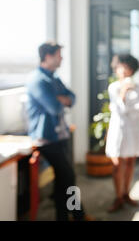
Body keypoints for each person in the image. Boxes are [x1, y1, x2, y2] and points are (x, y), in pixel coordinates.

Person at [26, 42, 91, 221]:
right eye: (58, 55)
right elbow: (54, 107)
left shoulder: (54, 78)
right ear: (48, 56)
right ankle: (79, 215)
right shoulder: (38, 80)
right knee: (68, 177)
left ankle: (66, 217)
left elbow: (72, 97)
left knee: (63, 181)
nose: (61, 58)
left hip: (60, 135)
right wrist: (61, 99)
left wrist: (64, 98)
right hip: (46, 138)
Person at [105, 54, 139, 212]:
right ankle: (118, 197)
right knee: (117, 163)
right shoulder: (113, 87)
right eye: (120, 67)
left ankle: (126, 193)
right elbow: (118, 109)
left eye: (126, 67)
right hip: (118, 128)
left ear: (131, 69)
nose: (123, 71)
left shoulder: (138, 86)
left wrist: (126, 108)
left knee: (130, 162)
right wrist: (123, 94)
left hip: (133, 129)